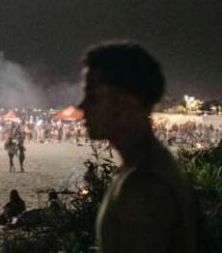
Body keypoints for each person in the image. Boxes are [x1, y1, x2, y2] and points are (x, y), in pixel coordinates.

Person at [79, 41, 199, 253]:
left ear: (125, 102)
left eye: (93, 95)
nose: (82, 106)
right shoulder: (146, 167)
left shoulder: (145, 187)